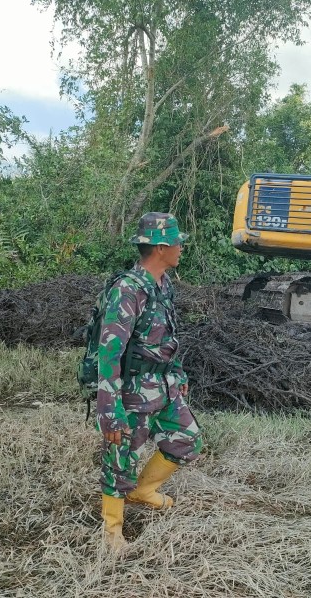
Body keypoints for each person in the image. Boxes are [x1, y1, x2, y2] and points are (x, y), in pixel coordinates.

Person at [96, 212, 203, 549]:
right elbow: (109, 354)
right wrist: (109, 411)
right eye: (176, 242)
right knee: (121, 457)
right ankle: (112, 532)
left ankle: (143, 491)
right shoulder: (128, 290)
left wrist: (178, 373)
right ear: (159, 248)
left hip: (164, 385)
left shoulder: (163, 284)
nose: (181, 247)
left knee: (188, 438)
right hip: (132, 391)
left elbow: (165, 338)